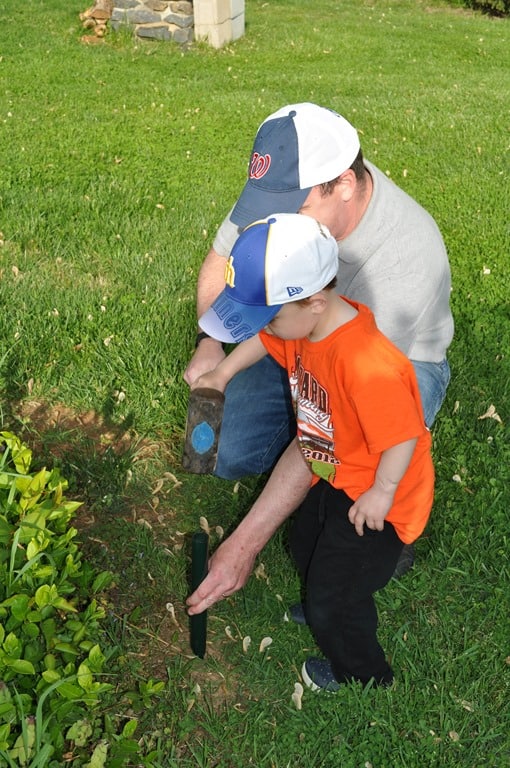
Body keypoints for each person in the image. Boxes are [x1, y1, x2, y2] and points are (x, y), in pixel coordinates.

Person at [183, 102, 453, 578]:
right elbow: (221, 257)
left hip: (395, 363)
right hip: (295, 334)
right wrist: (212, 343)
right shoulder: (280, 193)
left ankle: (387, 527)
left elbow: (329, 421)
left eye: (297, 208)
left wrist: (244, 544)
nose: (276, 220)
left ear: (344, 185)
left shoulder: (404, 258)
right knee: (228, 453)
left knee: (363, 454)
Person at [187, 214, 435, 690]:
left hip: (380, 499)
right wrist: (222, 374)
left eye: (272, 317)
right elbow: (265, 341)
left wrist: (382, 492)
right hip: (340, 472)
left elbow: (403, 435)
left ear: (315, 302)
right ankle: (327, 592)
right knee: (305, 542)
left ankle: (363, 673)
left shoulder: (366, 362)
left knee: (334, 595)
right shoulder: (304, 325)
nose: (268, 328)